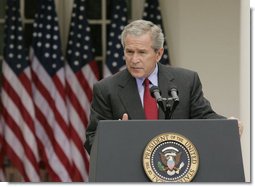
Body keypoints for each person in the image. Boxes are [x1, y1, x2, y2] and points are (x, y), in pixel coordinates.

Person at [84, 19, 242, 154]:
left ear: (158, 54)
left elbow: (205, 118)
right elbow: (91, 140)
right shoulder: (106, 89)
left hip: (176, 169)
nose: (134, 59)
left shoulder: (186, 81)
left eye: (142, 52)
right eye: (129, 51)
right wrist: (113, 135)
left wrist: (228, 125)